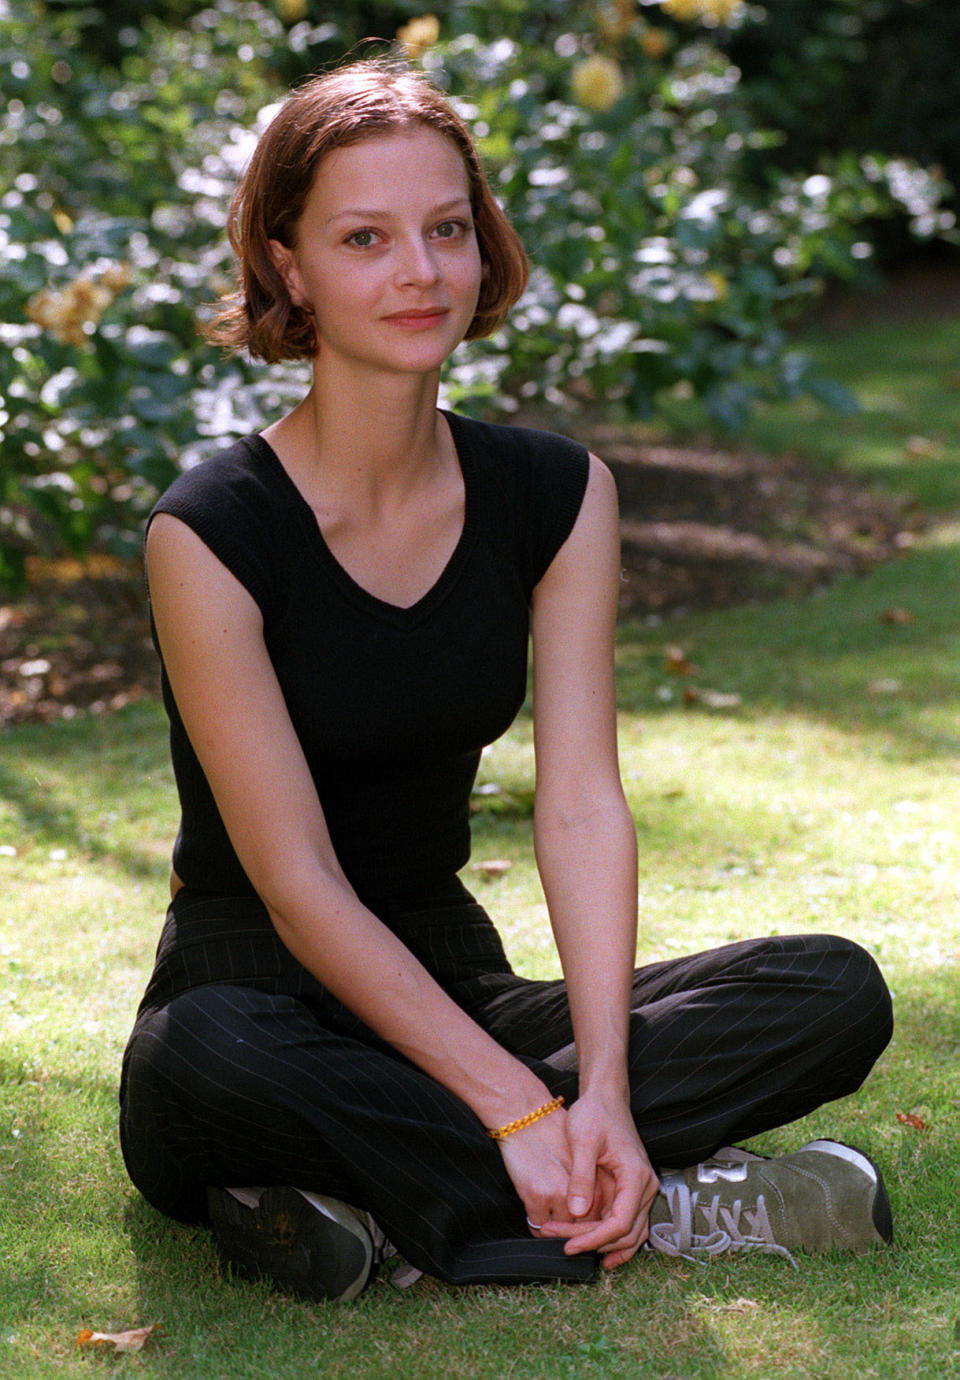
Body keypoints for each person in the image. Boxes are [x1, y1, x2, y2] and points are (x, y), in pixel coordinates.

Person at [119, 58, 894, 1302]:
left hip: (454, 983)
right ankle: (662, 1199)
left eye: (446, 229)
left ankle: (373, 1210)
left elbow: (581, 801)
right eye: (364, 238)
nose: (419, 272)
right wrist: (520, 1113)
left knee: (830, 989)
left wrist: (597, 1088)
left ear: (485, 245)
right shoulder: (211, 528)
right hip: (249, 990)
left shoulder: (556, 492)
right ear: (288, 267)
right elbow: (298, 883)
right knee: (209, 1059)